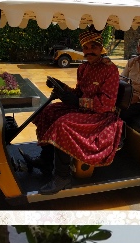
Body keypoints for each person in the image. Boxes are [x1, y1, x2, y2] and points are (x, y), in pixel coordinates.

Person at [34, 27, 124, 195]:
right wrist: (62, 87)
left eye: (93, 47)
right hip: (84, 109)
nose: (89, 51)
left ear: (100, 47)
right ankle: (45, 160)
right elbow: (78, 92)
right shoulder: (83, 68)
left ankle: (62, 176)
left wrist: (77, 101)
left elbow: (106, 103)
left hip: (101, 115)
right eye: (86, 48)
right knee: (47, 112)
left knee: (63, 124)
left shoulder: (110, 70)